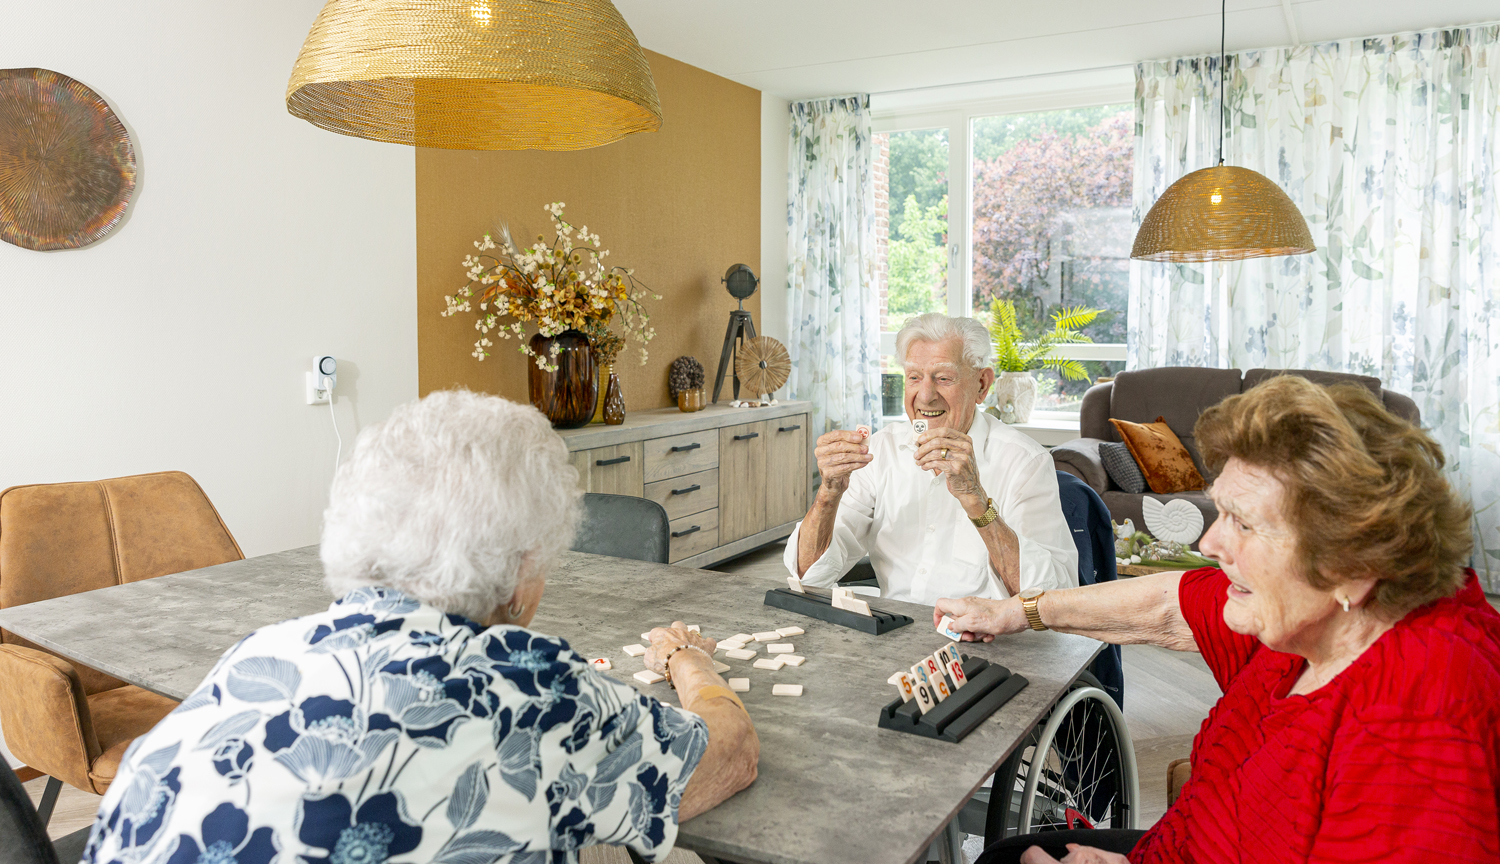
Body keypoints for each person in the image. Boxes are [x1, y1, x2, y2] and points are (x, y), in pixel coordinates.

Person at [82, 391, 758, 864]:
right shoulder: (527, 689)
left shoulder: (255, 657)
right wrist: (690, 665)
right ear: (523, 576)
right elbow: (726, 757)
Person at [934, 376, 1500, 864]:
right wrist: (1015, 611)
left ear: (1354, 560)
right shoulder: (1304, 617)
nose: (1210, 542)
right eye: (1218, 510)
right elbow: (1168, 604)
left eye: (1244, 524)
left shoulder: (1420, 717)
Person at [784, 312, 1077, 604]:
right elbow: (809, 576)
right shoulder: (881, 449)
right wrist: (828, 493)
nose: (925, 396)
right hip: (895, 633)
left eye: (943, 378)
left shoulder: (1025, 461)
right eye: (914, 377)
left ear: (981, 385)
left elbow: (1051, 597)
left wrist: (974, 499)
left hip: (989, 639)